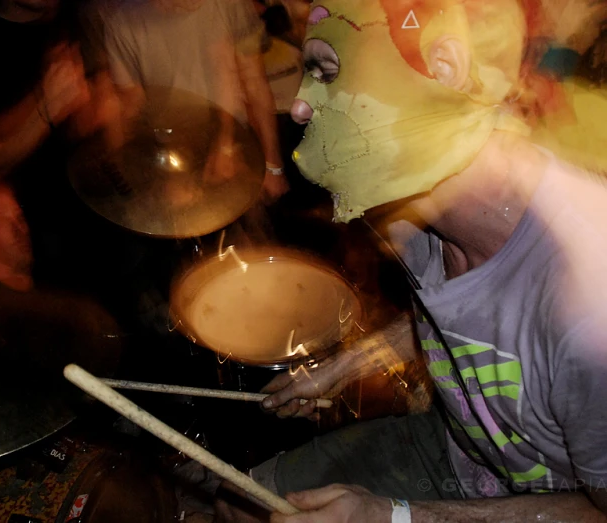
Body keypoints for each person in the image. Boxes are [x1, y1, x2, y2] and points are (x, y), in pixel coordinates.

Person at [213, 0, 607, 521]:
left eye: (327, 72)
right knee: (238, 502)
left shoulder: (589, 307)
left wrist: (395, 515)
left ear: (442, 69)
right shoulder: (412, 213)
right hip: (457, 445)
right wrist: (339, 369)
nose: (302, 107)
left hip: (545, 504)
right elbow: (470, 319)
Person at [102, 0, 290, 202]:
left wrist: (273, 166)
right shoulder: (121, 23)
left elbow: (255, 84)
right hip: (170, 151)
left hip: (236, 143)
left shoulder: (232, 3)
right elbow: (131, 107)